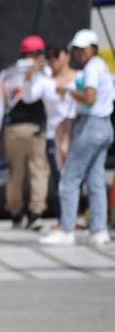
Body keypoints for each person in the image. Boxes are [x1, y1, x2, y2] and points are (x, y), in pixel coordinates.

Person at [40, 29, 114, 246]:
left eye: (82, 49)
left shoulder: (91, 68)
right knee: (95, 180)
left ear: (92, 48)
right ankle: (99, 231)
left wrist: (69, 91)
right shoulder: (102, 66)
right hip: (105, 125)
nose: (79, 54)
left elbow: (90, 98)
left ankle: (66, 229)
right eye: (77, 50)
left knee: (69, 178)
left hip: (90, 126)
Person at [0, 35, 49, 231]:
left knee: (14, 173)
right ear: (34, 53)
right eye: (40, 52)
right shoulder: (44, 71)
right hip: (36, 130)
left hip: (13, 130)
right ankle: (36, 213)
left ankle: (15, 213)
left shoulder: (7, 74)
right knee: (39, 171)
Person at [22, 45, 77, 218]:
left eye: (56, 55)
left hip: (77, 135)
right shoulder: (45, 82)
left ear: (67, 56)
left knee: (80, 179)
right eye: (49, 57)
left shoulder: (80, 77)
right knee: (60, 180)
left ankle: (79, 217)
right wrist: (30, 75)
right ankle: (64, 221)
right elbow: (28, 97)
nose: (53, 60)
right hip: (55, 136)